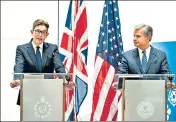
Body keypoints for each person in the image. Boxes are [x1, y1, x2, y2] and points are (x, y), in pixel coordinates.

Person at [10, 19, 74, 105]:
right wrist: (17, 80)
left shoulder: (52, 48)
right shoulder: (22, 49)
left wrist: (65, 80)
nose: (40, 35)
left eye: (43, 32)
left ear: (46, 35)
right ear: (32, 32)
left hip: (48, 93)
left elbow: (58, 65)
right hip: (28, 94)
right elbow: (19, 65)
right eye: (37, 31)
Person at [116, 23, 174, 89]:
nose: (134, 39)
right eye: (134, 36)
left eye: (138, 36)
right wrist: (118, 83)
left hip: (155, 94)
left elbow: (166, 74)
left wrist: (169, 83)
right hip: (133, 94)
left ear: (147, 38)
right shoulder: (127, 56)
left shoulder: (160, 55)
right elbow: (121, 76)